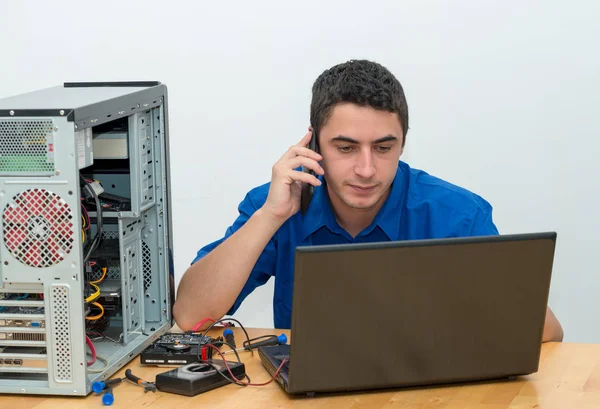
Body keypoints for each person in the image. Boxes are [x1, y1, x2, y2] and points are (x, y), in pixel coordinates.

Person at [174, 59, 564, 342]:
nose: (366, 169)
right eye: (345, 147)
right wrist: (270, 216)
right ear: (313, 144)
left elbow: (548, 332)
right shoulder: (277, 204)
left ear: (403, 144)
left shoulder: (456, 214)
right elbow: (189, 316)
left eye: (383, 147)